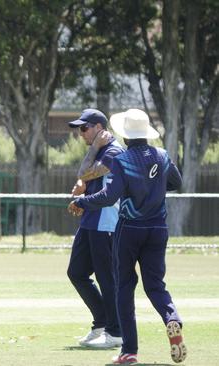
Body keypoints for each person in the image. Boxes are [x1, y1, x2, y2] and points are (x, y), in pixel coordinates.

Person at [69, 108, 186, 365]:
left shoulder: (123, 159)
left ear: (126, 134)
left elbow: (110, 197)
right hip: (158, 229)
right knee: (155, 285)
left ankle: (129, 351)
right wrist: (152, 183)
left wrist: (82, 201)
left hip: (130, 230)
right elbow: (176, 182)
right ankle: (172, 319)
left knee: (124, 287)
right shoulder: (162, 155)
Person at [66, 109, 124, 348]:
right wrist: (82, 188)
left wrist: (84, 180)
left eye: (84, 128)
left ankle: (116, 332)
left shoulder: (113, 150)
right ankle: (102, 322)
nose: (81, 134)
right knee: (76, 272)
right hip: (91, 219)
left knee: (106, 278)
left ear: (99, 127)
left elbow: (85, 172)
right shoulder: (100, 150)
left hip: (106, 222)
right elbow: (84, 177)